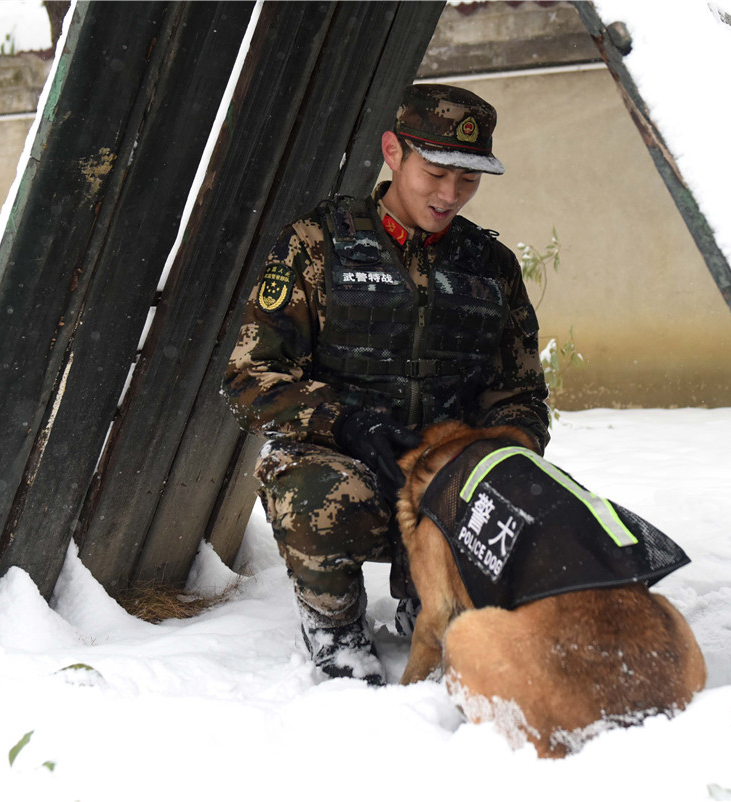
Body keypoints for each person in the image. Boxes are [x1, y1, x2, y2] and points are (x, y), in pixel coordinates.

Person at [222, 83, 550, 685]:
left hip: (446, 481)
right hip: (347, 466)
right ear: (394, 152)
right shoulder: (318, 244)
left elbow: (520, 394)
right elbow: (251, 374)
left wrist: (501, 456)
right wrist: (347, 423)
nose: (450, 195)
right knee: (316, 493)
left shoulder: (491, 268)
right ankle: (336, 632)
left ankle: (428, 604)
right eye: (436, 173)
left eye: (468, 180)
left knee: (518, 539)